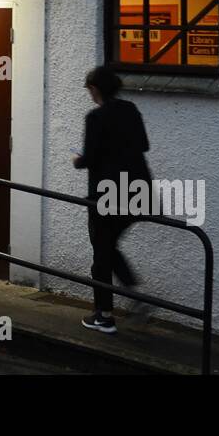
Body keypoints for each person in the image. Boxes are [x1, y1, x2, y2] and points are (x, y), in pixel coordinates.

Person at [74, 65, 152, 334]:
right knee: (107, 248)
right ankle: (133, 296)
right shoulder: (130, 110)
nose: (89, 96)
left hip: (106, 195)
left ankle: (105, 316)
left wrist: (77, 160)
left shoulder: (95, 117)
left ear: (95, 90)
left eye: (90, 91)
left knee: (102, 251)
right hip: (138, 192)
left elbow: (89, 158)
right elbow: (144, 145)